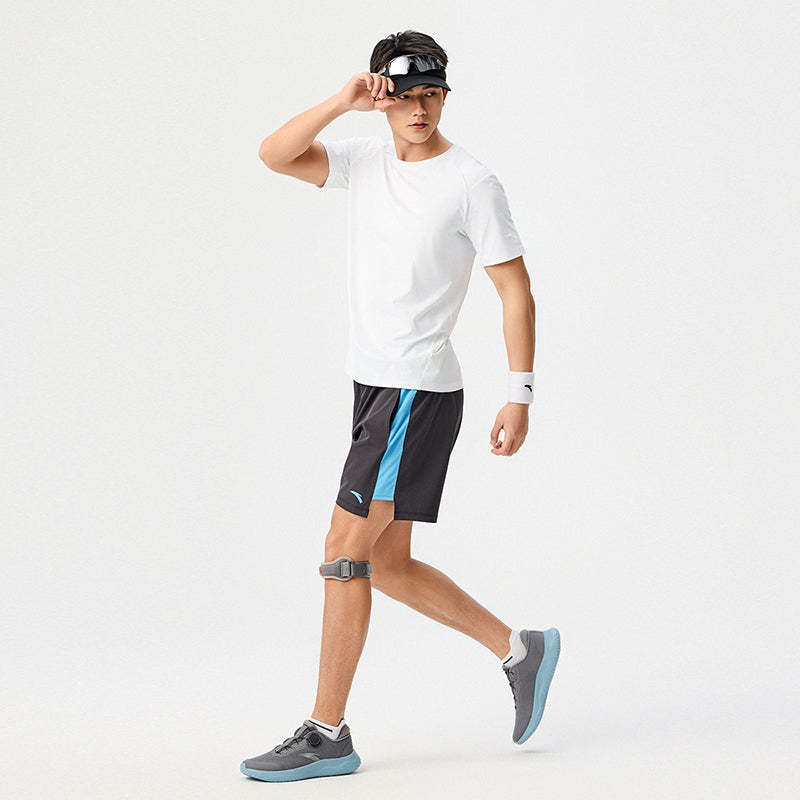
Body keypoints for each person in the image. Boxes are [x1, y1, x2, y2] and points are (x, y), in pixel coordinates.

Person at [242, 30, 560, 782]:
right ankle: (519, 650)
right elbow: (275, 155)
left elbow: (514, 288)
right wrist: (341, 100)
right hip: (373, 385)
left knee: (343, 550)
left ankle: (327, 732)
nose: (420, 109)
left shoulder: (471, 182)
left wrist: (519, 393)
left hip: (414, 391)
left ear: (446, 96)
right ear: (382, 97)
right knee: (384, 562)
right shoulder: (364, 161)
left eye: (432, 94)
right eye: (406, 95)